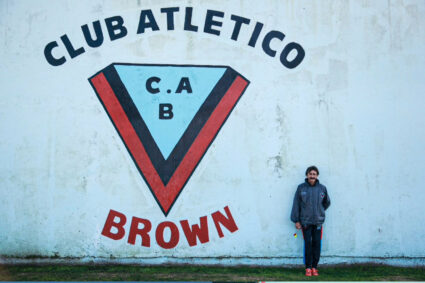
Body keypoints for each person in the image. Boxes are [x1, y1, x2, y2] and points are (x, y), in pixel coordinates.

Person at [290, 166, 331, 277]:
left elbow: (326, 202)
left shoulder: (322, 188)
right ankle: (308, 268)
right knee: (308, 243)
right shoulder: (301, 188)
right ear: (307, 175)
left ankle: (314, 267)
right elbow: (296, 204)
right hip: (305, 222)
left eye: (314, 174)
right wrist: (296, 220)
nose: (312, 176)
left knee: (317, 244)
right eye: (310, 174)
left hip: (318, 222)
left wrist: (320, 211)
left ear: (317, 175)